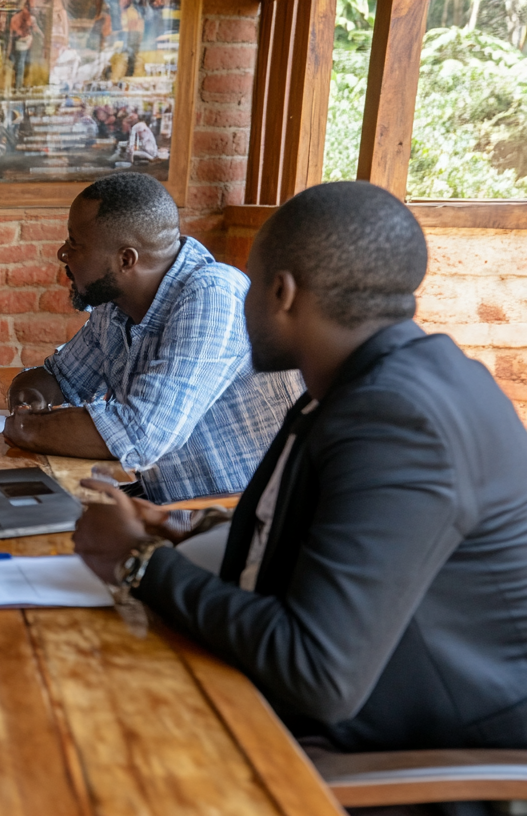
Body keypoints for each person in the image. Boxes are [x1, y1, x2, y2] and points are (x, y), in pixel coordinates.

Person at [72, 182, 527, 797]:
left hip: (411, 748)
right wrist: (192, 528)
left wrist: (138, 563)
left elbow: (319, 672)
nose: (243, 304)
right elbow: (344, 541)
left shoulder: (398, 421)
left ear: (282, 294)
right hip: (361, 690)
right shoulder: (376, 380)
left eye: (253, 287)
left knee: (82, 728)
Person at [5, 172, 301, 503]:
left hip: (225, 522)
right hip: (157, 505)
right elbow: (60, 378)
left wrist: (28, 428)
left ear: (125, 260)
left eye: (75, 243)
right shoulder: (116, 301)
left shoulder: (213, 294)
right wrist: (28, 399)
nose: (63, 253)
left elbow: (141, 434)